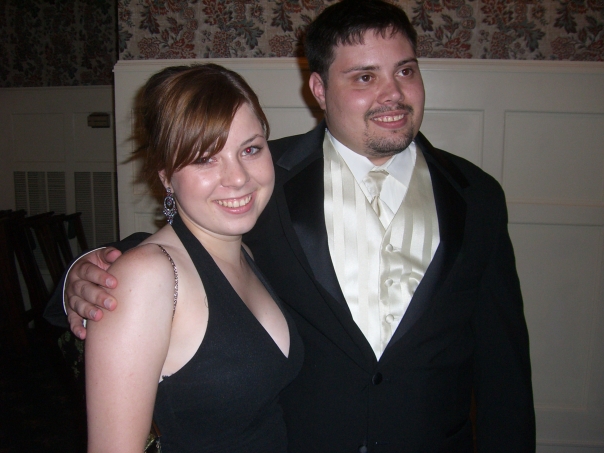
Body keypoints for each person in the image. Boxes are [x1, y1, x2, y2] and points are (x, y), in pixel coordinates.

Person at [46, 1, 535, 451]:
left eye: (405, 70)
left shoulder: (477, 196)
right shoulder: (267, 181)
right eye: (365, 77)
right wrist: (85, 273)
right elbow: (185, 248)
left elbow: (504, 364)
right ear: (319, 89)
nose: (393, 94)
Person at [82, 63, 303, 452]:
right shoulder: (147, 276)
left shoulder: (245, 254)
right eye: (205, 158)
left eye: (250, 149)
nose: (238, 177)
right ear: (166, 176)